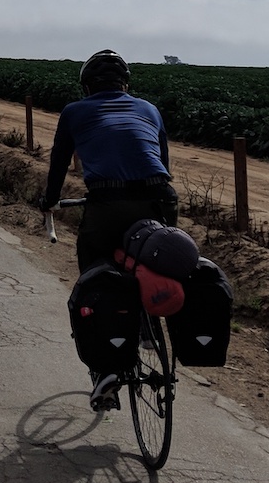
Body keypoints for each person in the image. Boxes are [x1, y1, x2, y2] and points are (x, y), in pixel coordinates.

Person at [37, 49, 179, 412]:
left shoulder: (74, 112)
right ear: (125, 85)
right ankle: (149, 326)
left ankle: (105, 372)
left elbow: (58, 163)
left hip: (108, 205)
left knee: (95, 282)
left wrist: (49, 201)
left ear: (86, 88)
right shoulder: (149, 109)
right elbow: (162, 163)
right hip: (160, 201)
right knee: (153, 263)